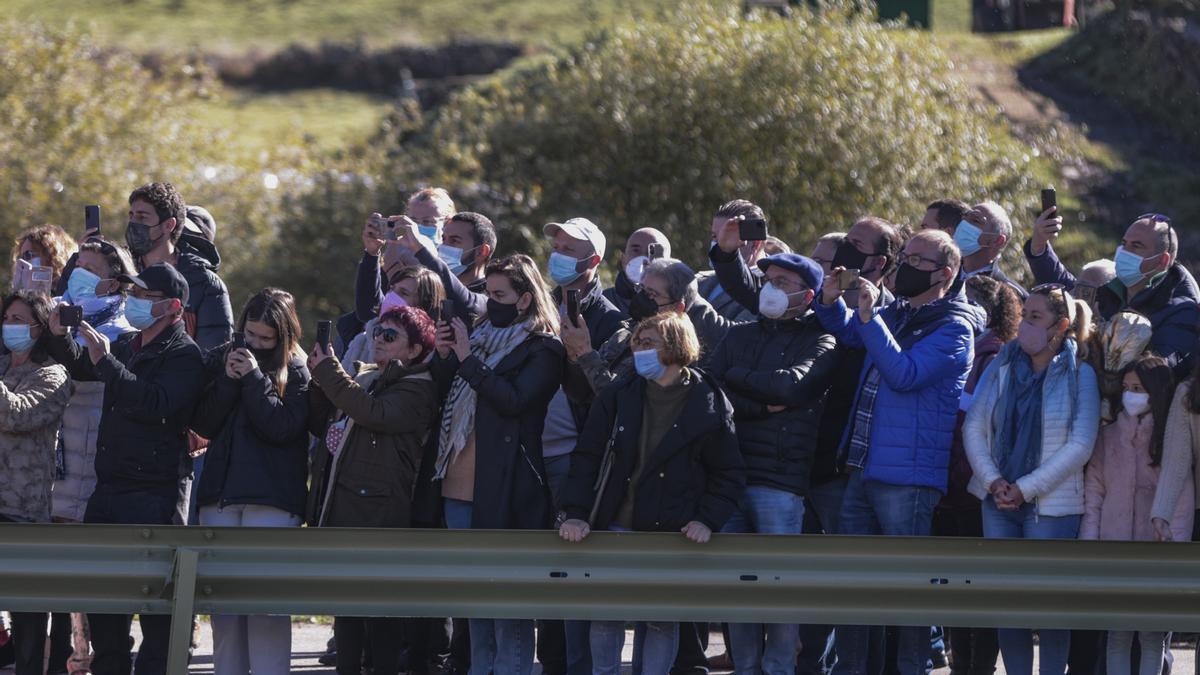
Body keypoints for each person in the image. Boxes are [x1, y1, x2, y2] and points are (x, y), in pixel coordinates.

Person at [814, 229, 975, 675]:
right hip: (863, 466)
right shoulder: (899, 313)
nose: (904, 265)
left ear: (944, 274)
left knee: (909, 588)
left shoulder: (955, 327)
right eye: (905, 255)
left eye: (916, 260)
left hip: (907, 479)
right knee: (853, 584)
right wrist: (830, 301)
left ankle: (911, 669)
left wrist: (870, 320)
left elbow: (904, 373)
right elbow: (851, 333)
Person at [558, 312, 746, 675]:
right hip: (615, 525)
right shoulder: (619, 392)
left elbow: (729, 472)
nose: (638, 350)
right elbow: (588, 456)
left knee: (662, 620)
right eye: (636, 343)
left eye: (649, 343)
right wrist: (576, 512)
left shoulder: (709, 401)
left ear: (676, 346)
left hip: (671, 532)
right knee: (606, 618)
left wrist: (706, 519)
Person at [46, 262, 206, 675]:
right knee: (106, 613)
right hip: (109, 493)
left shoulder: (185, 355)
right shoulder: (131, 345)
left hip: (152, 497)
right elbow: (85, 366)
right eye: (131, 293)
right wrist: (60, 335)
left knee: (155, 615)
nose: (132, 300)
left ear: (172, 306)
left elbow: (155, 403)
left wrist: (106, 362)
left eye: (144, 296)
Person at [432, 254, 565, 675]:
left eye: (500, 295)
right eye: (487, 294)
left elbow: (515, 401)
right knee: (473, 594)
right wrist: (445, 356)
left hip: (508, 483)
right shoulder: (481, 335)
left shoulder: (544, 347)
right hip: (458, 481)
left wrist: (469, 358)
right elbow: (448, 395)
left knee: (509, 597)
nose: (490, 303)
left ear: (525, 299)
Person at [706, 249, 837, 675]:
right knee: (737, 591)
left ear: (808, 295)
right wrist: (759, 408)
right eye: (769, 279)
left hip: (780, 482)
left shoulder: (821, 339)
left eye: (783, 282)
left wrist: (737, 380)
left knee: (779, 589)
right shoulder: (739, 335)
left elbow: (790, 388)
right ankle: (746, 668)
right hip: (727, 477)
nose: (771, 288)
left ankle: (780, 668)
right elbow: (710, 388)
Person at [963, 284, 1100, 675]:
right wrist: (994, 482)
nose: (1024, 325)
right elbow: (975, 425)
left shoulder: (1081, 375)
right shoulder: (1001, 364)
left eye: (1035, 318)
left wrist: (1026, 488)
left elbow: (1081, 444)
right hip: (998, 502)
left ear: (1061, 326)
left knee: (1051, 606)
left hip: (1052, 507)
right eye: (1024, 316)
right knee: (1009, 605)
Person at [307, 306, 438, 675]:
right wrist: (321, 386)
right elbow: (327, 422)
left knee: (382, 619)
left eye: (391, 335)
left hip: (383, 517)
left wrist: (330, 375)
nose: (378, 339)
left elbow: (375, 414)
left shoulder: (419, 388)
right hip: (345, 508)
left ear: (414, 350)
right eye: (378, 331)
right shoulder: (363, 378)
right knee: (346, 615)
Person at [190, 288, 310, 675]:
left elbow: (281, 427)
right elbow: (204, 424)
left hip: (271, 502)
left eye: (265, 339)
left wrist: (254, 378)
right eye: (250, 335)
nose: (255, 345)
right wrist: (227, 380)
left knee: (266, 611)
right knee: (223, 612)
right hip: (220, 500)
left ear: (284, 336)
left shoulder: (300, 370)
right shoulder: (224, 359)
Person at [50, 238, 138, 675]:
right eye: (76, 267)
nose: (79, 274)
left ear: (114, 279)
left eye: (90, 267)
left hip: (102, 474)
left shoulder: (125, 333)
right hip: (61, 472)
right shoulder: (55, 323)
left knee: (104, 592)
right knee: (58, 589)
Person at [936, 276, 1021, 675]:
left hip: (978, 491)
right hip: (946, 490)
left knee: (980, 593)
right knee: (953, 593)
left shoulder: (996, 358)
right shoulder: (958, 350)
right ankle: (959, 666)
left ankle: (979, 669)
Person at [1082, 355, 1186, 675]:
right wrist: (1091, 540)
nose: (1131, 395)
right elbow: (1094, 492)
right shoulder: (1108, 436)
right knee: (1118, 634)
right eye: (1126, 387)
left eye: (1138, 388)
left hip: (1156, 552)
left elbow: (1182, 496)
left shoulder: (1170, 439)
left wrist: (1176, 547)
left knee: (1153, 636)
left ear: (1155, 391)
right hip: (1114, 551)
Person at [1026, 210, 1198, 377]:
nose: (1124, 252)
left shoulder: (1181, 311)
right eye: (1124, 244)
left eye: (1136, 246)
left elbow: (1164, 370)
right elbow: (1069, 294)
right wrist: (1040, 246)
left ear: (1162, 260)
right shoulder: (1110, 291)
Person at [0, 290, 73, 675]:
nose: (10, 325)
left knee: (29, 629)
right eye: (6, 317)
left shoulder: (53, 374)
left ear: (39, 327)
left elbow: (19, 415)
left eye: (19, 319)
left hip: (23, 514)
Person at [569, 258, 732, 393]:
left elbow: (620, 399)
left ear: (677, 307)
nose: (643, 298)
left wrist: (585, 352)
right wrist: (575, 355)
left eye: (653, 294)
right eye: (643, 290)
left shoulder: (673, 351)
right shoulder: (626, 332)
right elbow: (583, 391)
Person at [124, 183, 233, 352]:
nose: (133, 223)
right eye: (131, 216)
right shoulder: (121, 270)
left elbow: (212, 354)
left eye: (142, 217)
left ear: (169, 225)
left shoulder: (205, 284)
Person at [357, 188, 458, 324]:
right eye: (413, 221)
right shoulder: (395, 252)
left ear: (447, 223)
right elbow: (370, 311)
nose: (416, 228)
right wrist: (372, 254)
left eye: (427, 222)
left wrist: (422, 253)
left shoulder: (456, 264)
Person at [388, 211, 497, 327]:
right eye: (444, 239)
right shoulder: (431, 288)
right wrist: (373, 253)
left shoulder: (491, 296)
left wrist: (420, 248)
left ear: (481, 252)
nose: (444, 247)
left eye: (455, 241)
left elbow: (465, 301)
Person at [342, 266, 445, 374]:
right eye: (392, 289)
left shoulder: (435, 355)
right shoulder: (361, 341)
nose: (392, 296)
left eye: (390, 336)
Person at [697, 200, 769, 323]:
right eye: (715, 237)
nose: (720, 243)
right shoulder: (699, 281)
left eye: (728, 236)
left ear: (755, 243)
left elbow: (733, 334)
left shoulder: (771, 287)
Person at [953, 202, 1027, 299]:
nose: (964, 224)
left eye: (975, 220)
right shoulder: (939, 274)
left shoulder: (1009, 294)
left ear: (998, 241)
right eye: (965, 217)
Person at [603, 227, 672, 314]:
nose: (643, 258)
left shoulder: (676, 306)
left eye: (652, 252)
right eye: (636, 250)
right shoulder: (603, 301)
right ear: (623, 258)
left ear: (668, 263)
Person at [10, 224, 75, 294]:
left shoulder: (71, 293)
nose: (23, 262)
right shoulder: (22, 296)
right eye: (21, 257)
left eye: (28, 255)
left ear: (52, 256)